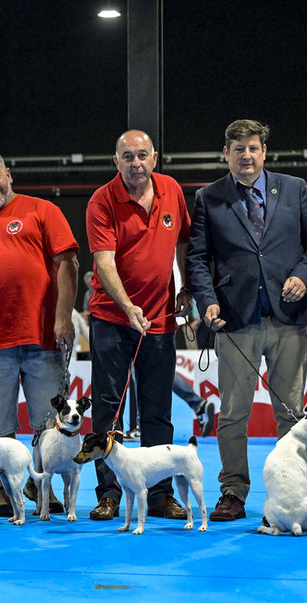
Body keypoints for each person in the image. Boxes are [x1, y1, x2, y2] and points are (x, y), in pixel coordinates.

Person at [186, 119, 307, 522]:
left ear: (264, 151)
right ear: (226, 154)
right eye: (238, 150)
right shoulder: (208, 197)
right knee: (233, 413)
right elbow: (197, 258)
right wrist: (207, 302)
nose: (246, 156)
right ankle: (233, 490)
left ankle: (291, 489)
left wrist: (303, 275)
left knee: (292, 412)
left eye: (253, 148)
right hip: (234, 320)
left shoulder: (295, 188)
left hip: (289, 318)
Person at [0, 149, 78, 517]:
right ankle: (6, 492)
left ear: (8, 174)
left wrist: (63, 317)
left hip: (43, 337)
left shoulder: (42, 211)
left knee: (47, 425)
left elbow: (67, 263)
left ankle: (45, 491)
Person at [84, 129, 193, 521]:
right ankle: (109, 494)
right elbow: (104, 261)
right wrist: (128, 306)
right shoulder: (102, 200)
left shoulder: (171, 190)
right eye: (127, 156)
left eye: (142, 155)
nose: (135, 163)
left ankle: (161, 494)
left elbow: (184, 241)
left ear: (155, 157)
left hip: (161, 320)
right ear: (116, 161)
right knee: (108, 411)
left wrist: (184, 287)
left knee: (157, 411)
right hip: (113, 319)